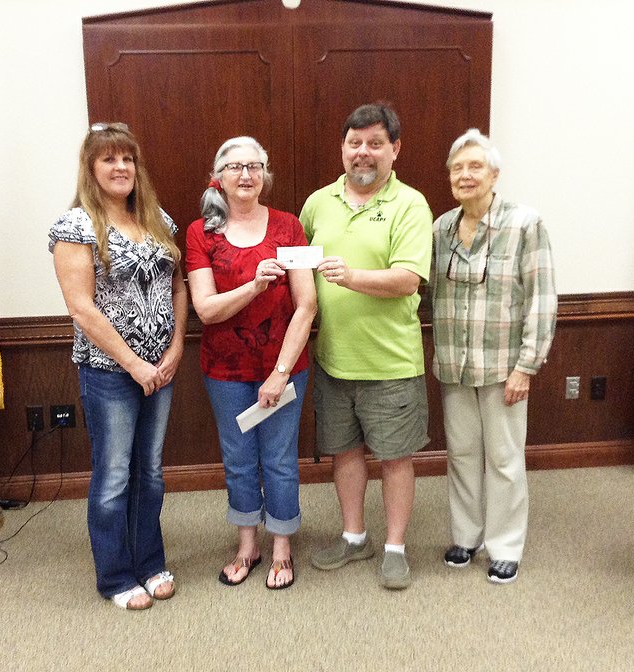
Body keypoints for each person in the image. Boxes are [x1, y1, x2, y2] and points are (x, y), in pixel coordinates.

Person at [49, 122, 187, 610]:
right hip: (110, 373)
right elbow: (82, 308)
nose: (120, 167)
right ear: (91, 168)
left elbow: (178, 286)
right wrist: (134, 365)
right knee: (113, 475)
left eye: (127, 159)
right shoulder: (75, 227)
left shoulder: (158, 220)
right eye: (109, 159)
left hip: (161, 370)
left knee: (150, 472)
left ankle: (149, 563)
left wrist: (175, 349)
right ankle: (116, 576)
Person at [300, 103, 432, 590]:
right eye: (354, 143)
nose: (363, 153)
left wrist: (352, 278)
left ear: (394, 149)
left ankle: (395, 547)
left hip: (391, 362)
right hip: (334, 360)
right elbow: (299, 263)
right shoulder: (318, 203)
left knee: (396, 457)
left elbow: (407, 279)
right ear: (342, 148)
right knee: (345, 452)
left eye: (375, 143)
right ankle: (355, 537)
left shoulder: (411, 204)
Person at [185, 136, 316, 590]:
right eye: (236, 166)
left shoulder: (288, 227)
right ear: (217, 178)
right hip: (225, 371)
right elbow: (206, 310)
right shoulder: (201, 232)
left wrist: (280, 373)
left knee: (279, 460)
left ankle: (282, 546)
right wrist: (255, 287)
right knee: (239, 459)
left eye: (255, 166)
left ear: (265, 174)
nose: (246, 175)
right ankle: (248, 545)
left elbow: (307, 305)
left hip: (283, 366)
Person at [430, 128, 556, 584]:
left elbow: (541, 299)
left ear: (494, 174)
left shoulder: (525, 224)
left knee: (504, 458)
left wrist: (527, 365)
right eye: (457, 168)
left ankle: (504, 546)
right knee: (461, 453)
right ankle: (466, 536)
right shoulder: (440, 228)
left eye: (475, 166)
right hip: (455, 365)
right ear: (449, 177)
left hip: (505, 368)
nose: (465, 175)